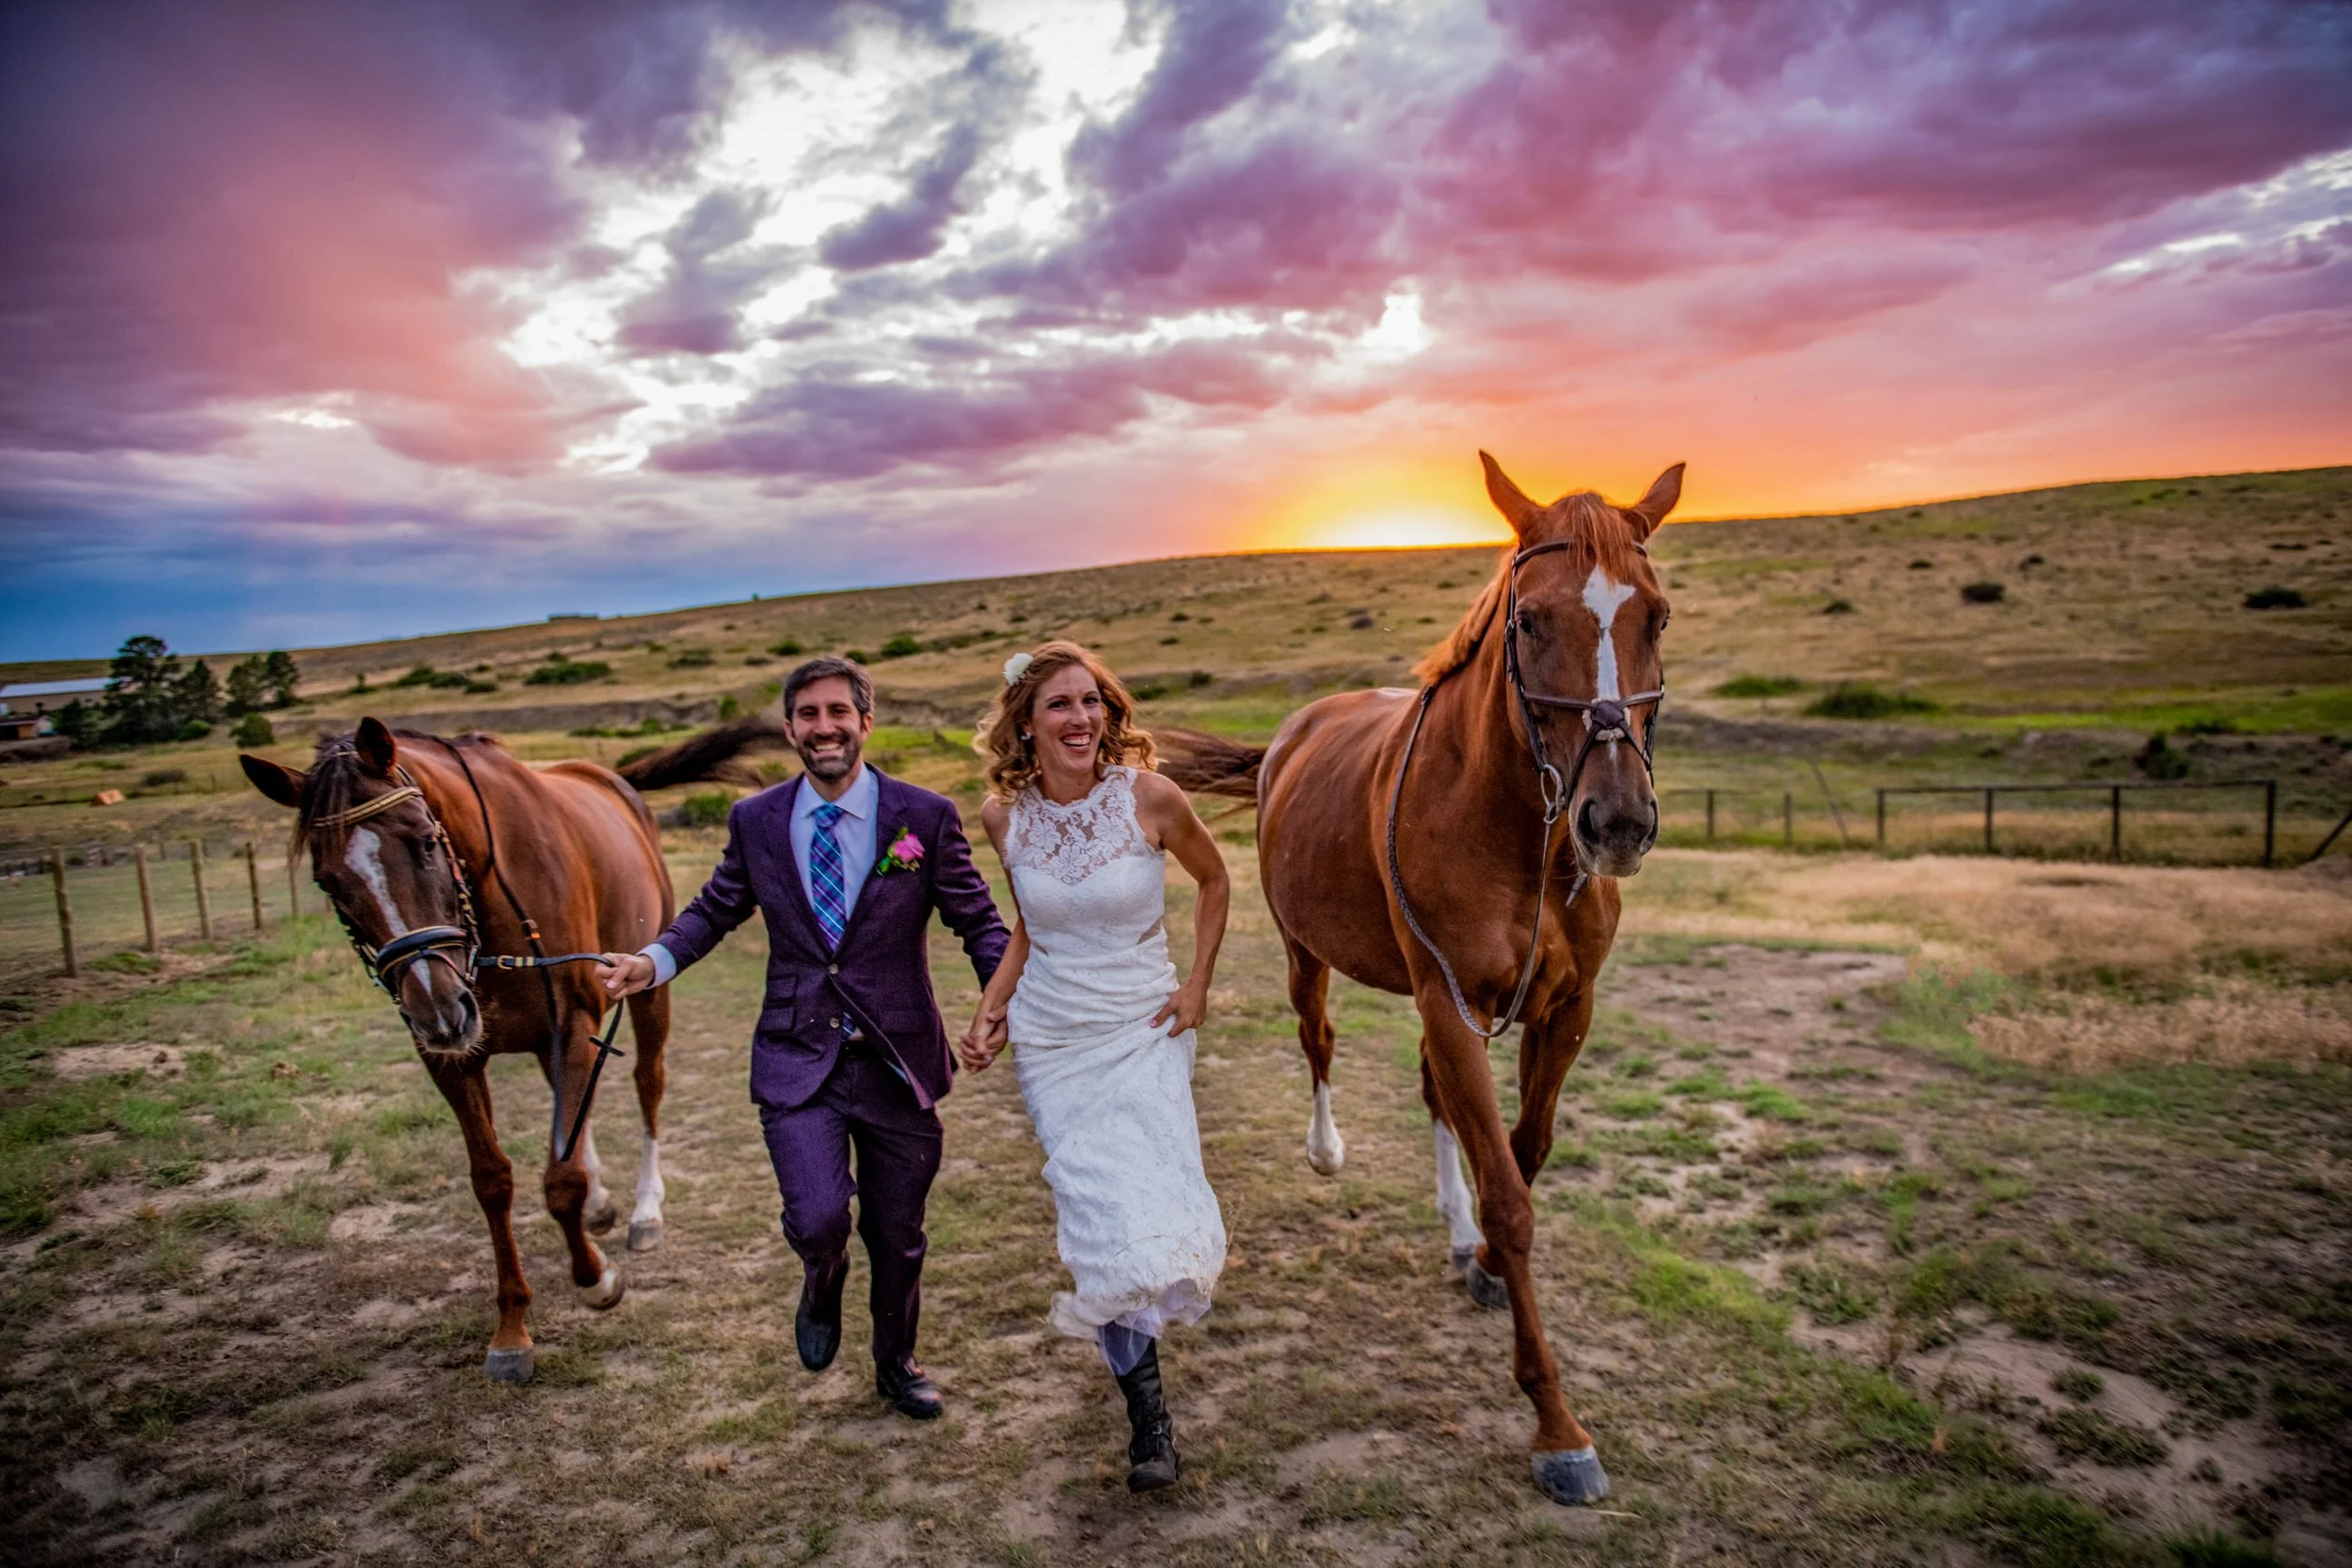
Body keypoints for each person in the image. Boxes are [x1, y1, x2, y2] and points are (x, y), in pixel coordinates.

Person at [601, 657, 1009, 1419]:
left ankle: (898, 1363)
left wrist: (1002, 996)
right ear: (790, 728)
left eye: (838, 712)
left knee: (898, 1233)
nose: (825, 728)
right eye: (809, 715)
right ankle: (822, 1278)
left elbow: (978, 920)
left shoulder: (924, 815)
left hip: (899, 1060)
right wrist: (651, 961)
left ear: (865, 721)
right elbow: (713, 910)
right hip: (798, 1058)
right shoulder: (756, 821)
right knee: (820, 1218)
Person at [957, 641, 1231, 1493]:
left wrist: (1198, 983)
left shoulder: (1151, 797)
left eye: (1092, 702)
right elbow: (1032, 929)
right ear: (1026, 725)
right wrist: (991, 1004)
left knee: (1138, 1206)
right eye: (1060, 706)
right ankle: (1150, 1424)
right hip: (1053, 1041)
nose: (1081, 719)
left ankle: (1143, 1382)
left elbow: (1215, 881)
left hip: (1144, 1023)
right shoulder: (1004, 818)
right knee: (1100, 1220)